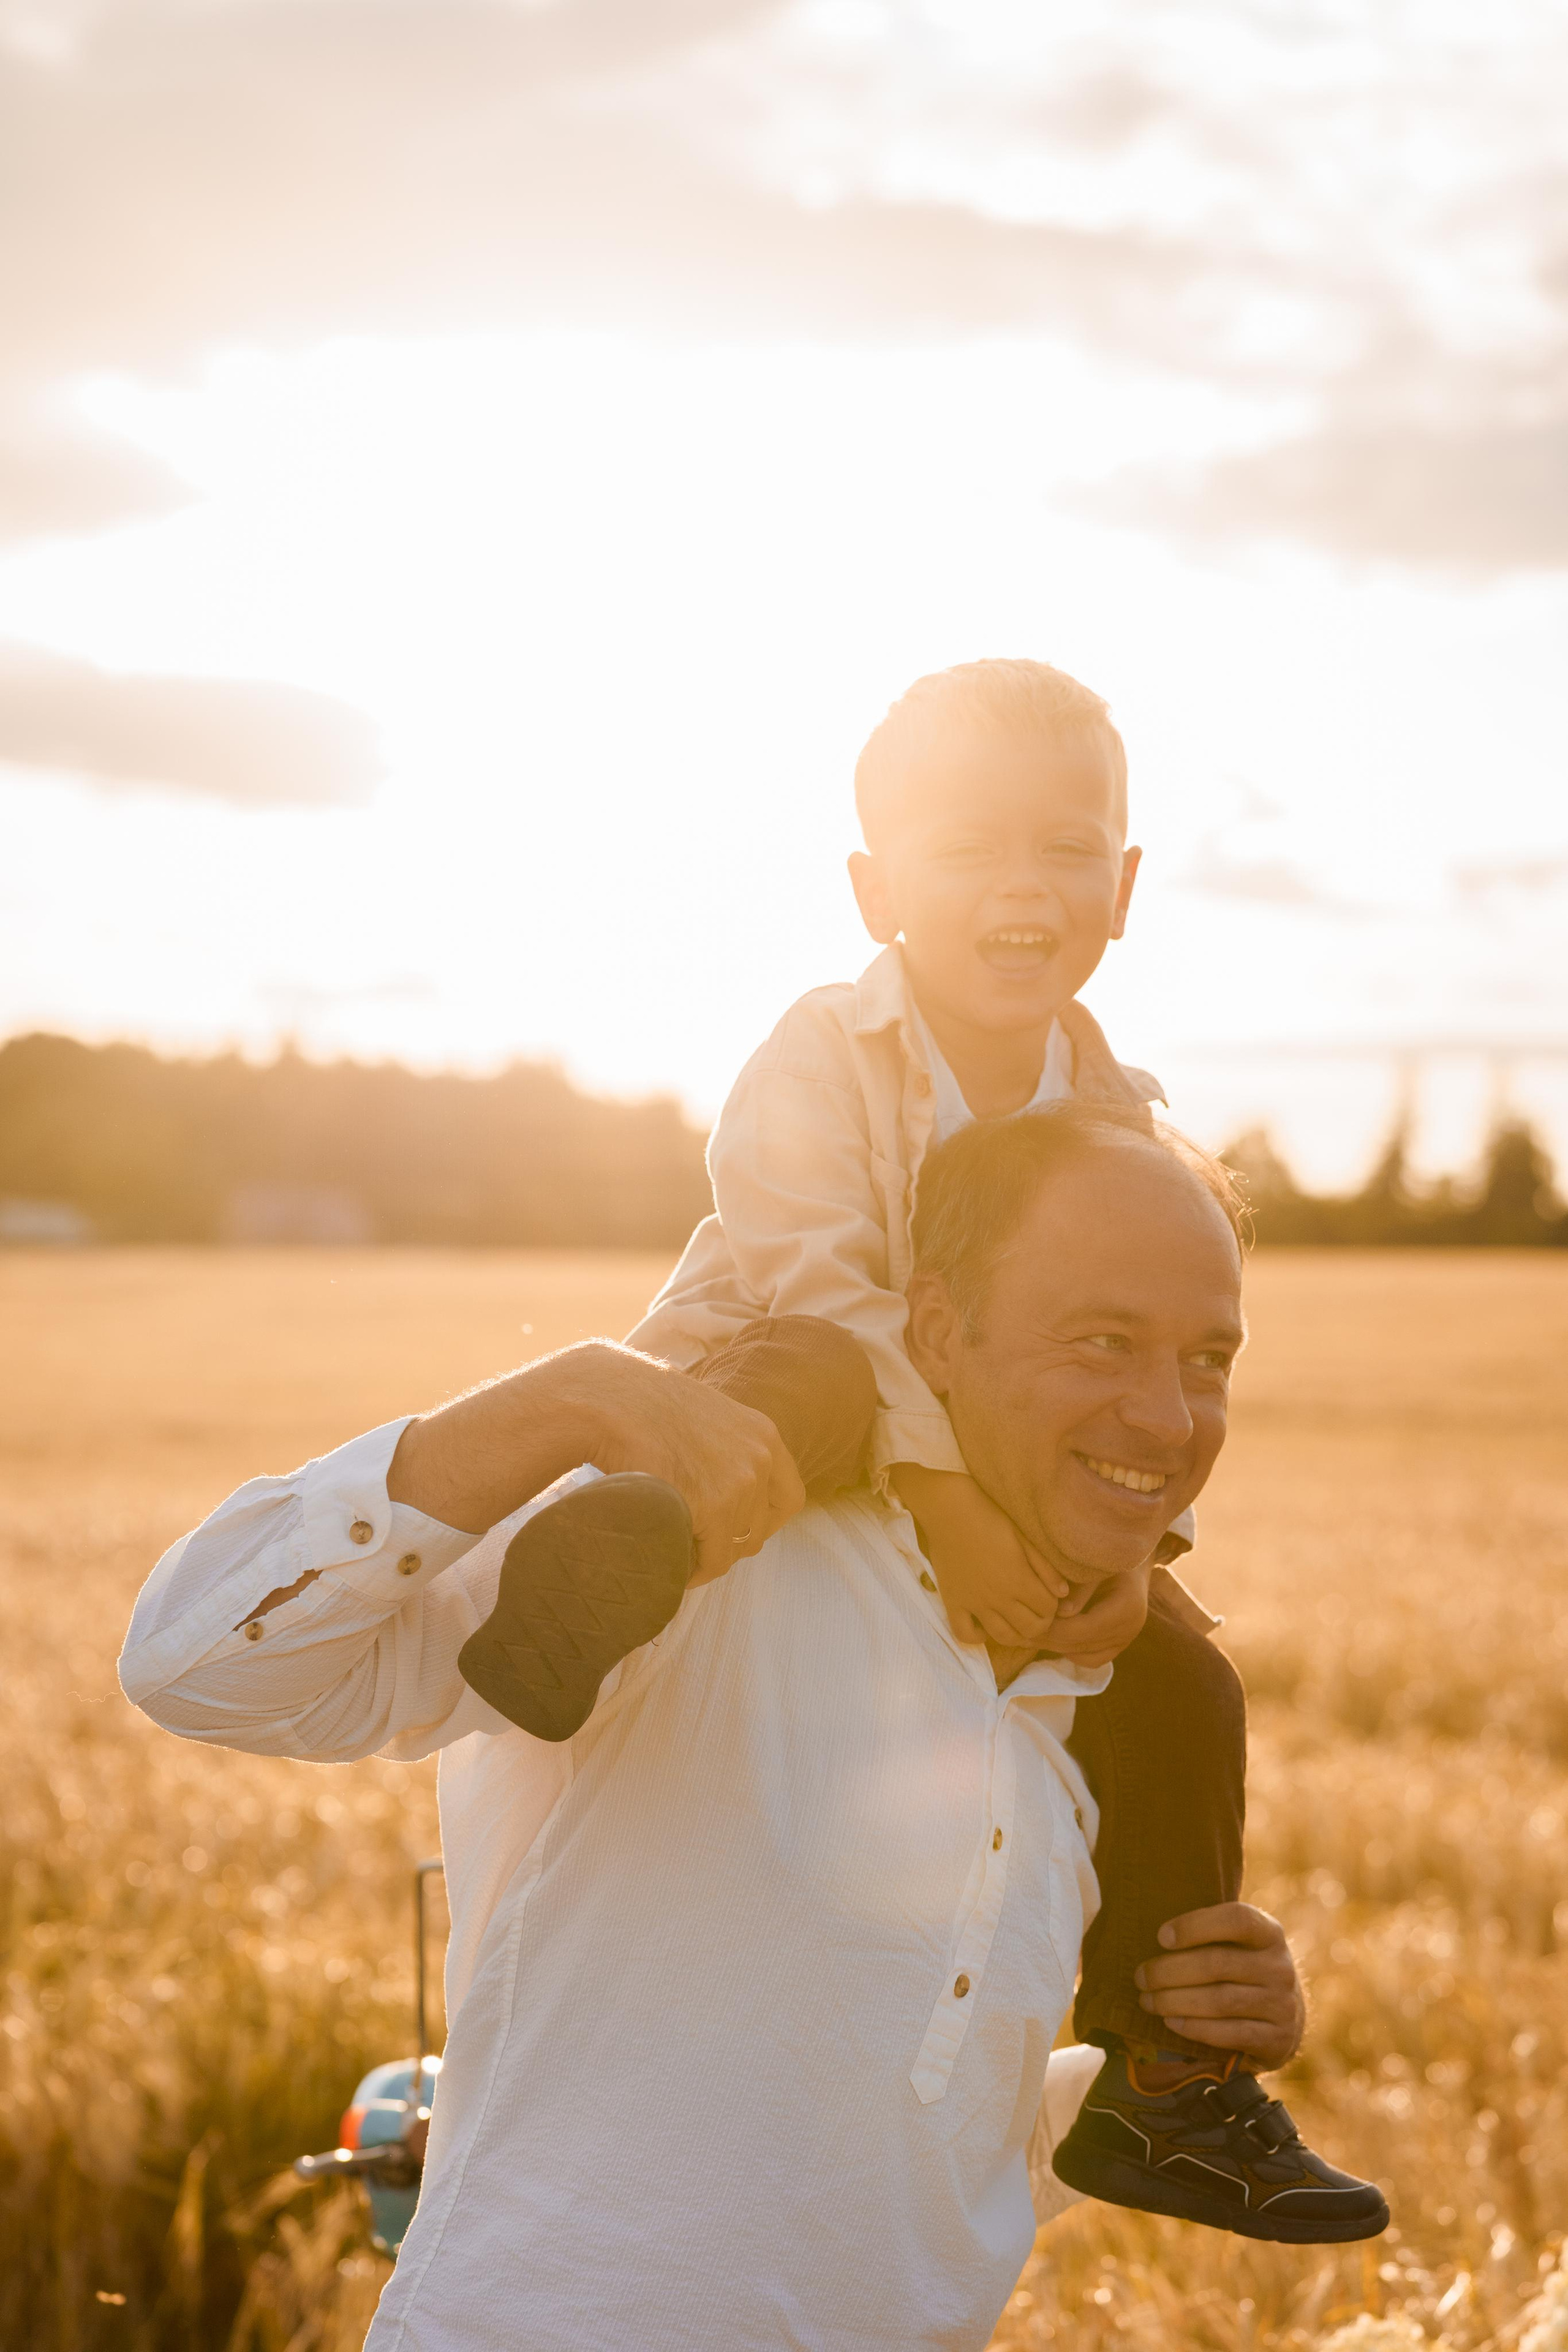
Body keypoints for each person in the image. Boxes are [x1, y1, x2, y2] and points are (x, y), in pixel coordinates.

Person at [121, 1112, 1382, 2352]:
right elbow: (199, 1663)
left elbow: (911, 2153)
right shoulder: (697, 1560)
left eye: (1207, 1360)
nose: (1167, 1419)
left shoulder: (1095, 1719)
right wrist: (570, 1401)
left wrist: (1172, 2050)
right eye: (1102, 1341)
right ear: (935, 1331)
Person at [459, 658, 1382, 2238]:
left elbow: (1120, 1340)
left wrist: (1119, 1567)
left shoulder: (1113, 1105)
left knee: (1184, 1679)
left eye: (1066, 848)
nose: (1022, 888)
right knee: (810, 1368)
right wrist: (946, 1509)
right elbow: (816, 1273)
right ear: (875, 884)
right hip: (778, 1397)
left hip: (985, 1446)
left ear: (1126, 885)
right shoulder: (821, 1053)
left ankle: (1171, 2091)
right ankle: (581, 1585)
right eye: (967, 851)